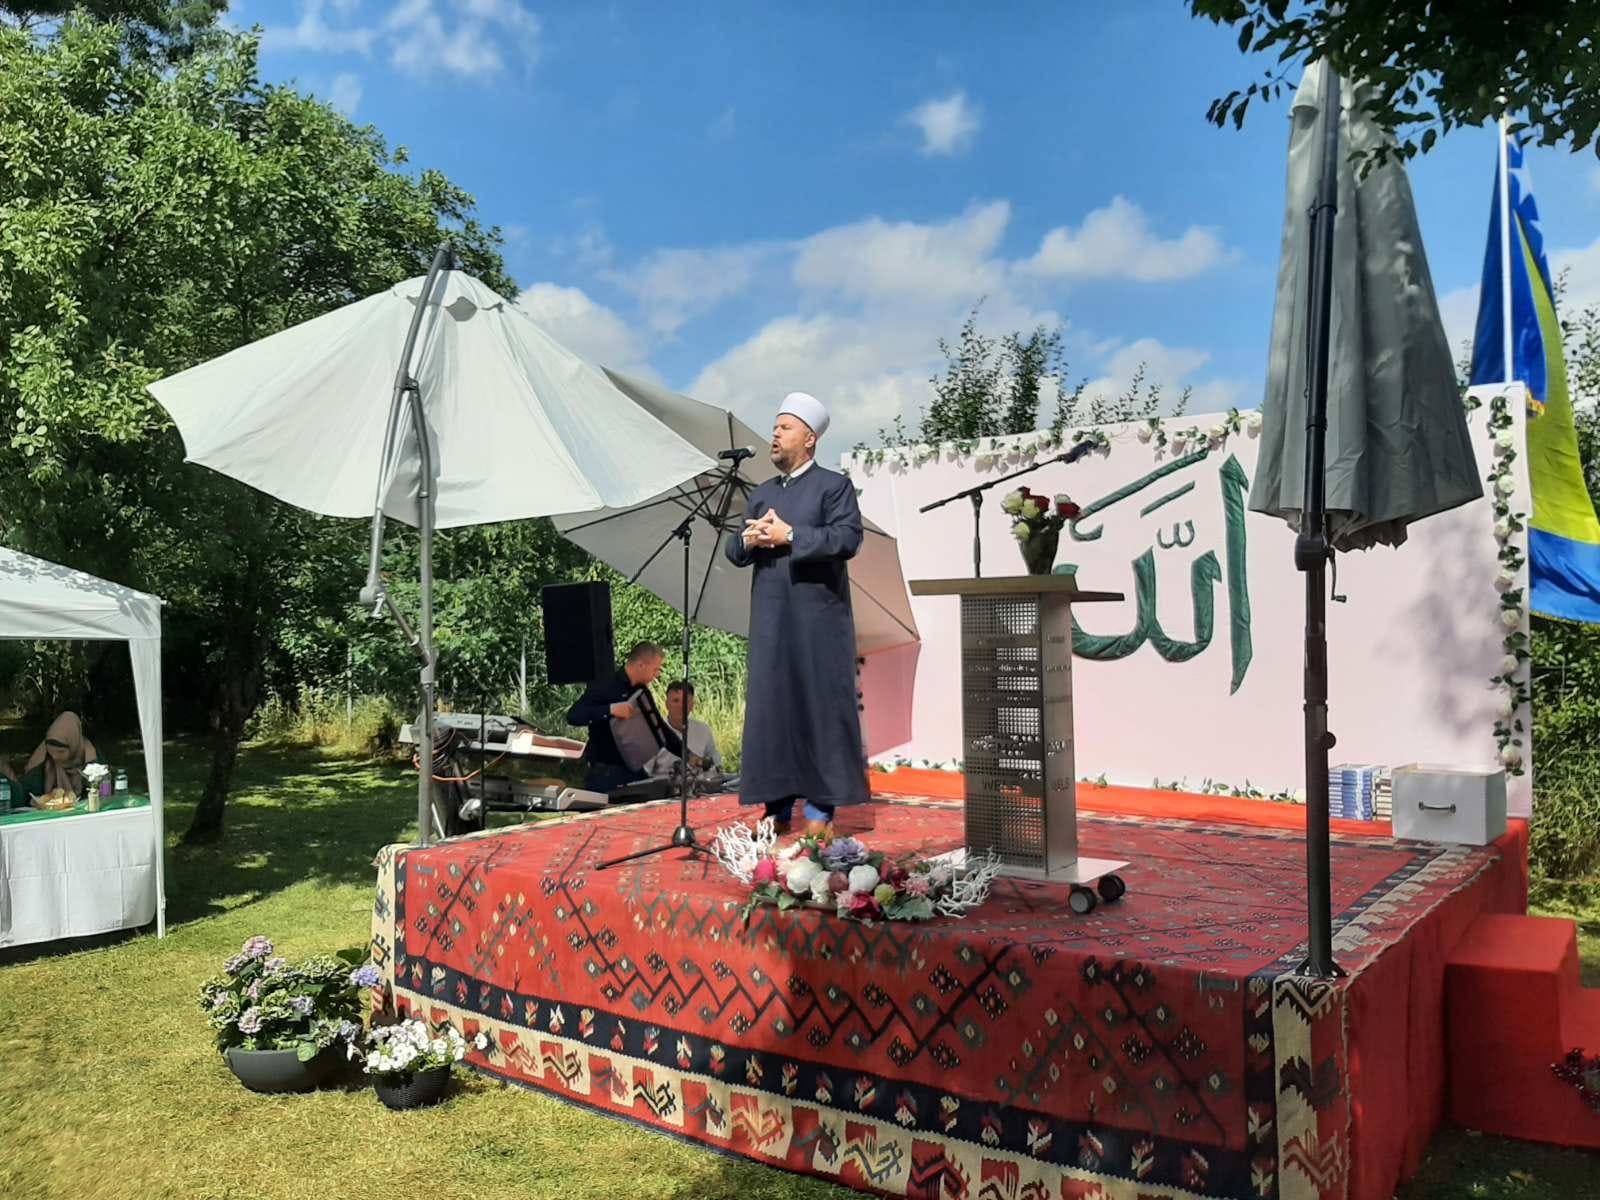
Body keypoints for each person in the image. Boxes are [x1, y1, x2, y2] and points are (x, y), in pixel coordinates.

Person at [724, 391, 866, 835]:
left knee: (818, 708)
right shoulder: (762, 493)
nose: (775, 435)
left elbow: (847, 539)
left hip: (818, 620)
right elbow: (734, 550)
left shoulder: (833, 486)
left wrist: (791, 535)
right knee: (773, 709)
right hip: (771, 620)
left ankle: (821, 811)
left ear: (809, 439)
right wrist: (748, 539)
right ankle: (776, 809)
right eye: (775, 427)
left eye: (784, 428)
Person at [565, 641, 682, 793]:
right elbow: (574, 716)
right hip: (605, 773)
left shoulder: (641, 691)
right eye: (655, 669)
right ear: (641, 665)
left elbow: (659, 728)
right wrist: (610, 709)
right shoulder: (606, 685)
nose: (657, 675)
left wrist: (687, 755)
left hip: (633, 769)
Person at [15, 711, 100, 800]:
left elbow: (103, 790)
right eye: (51, 751)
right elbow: (27, 793)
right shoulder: (43, 762)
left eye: (61, 752)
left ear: (73, 745)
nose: (55, 757)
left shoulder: (91, 760)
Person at [646, 680, 722, 778]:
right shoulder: (654, 733)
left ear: (692, 705)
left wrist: (706, 764)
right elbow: (644, 774)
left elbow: (716, 764)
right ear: (667, 704)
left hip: (699, 785)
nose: (681, 706)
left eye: (686, 701)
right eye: (675, 701)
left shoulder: (704, 731)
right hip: (663, 786)